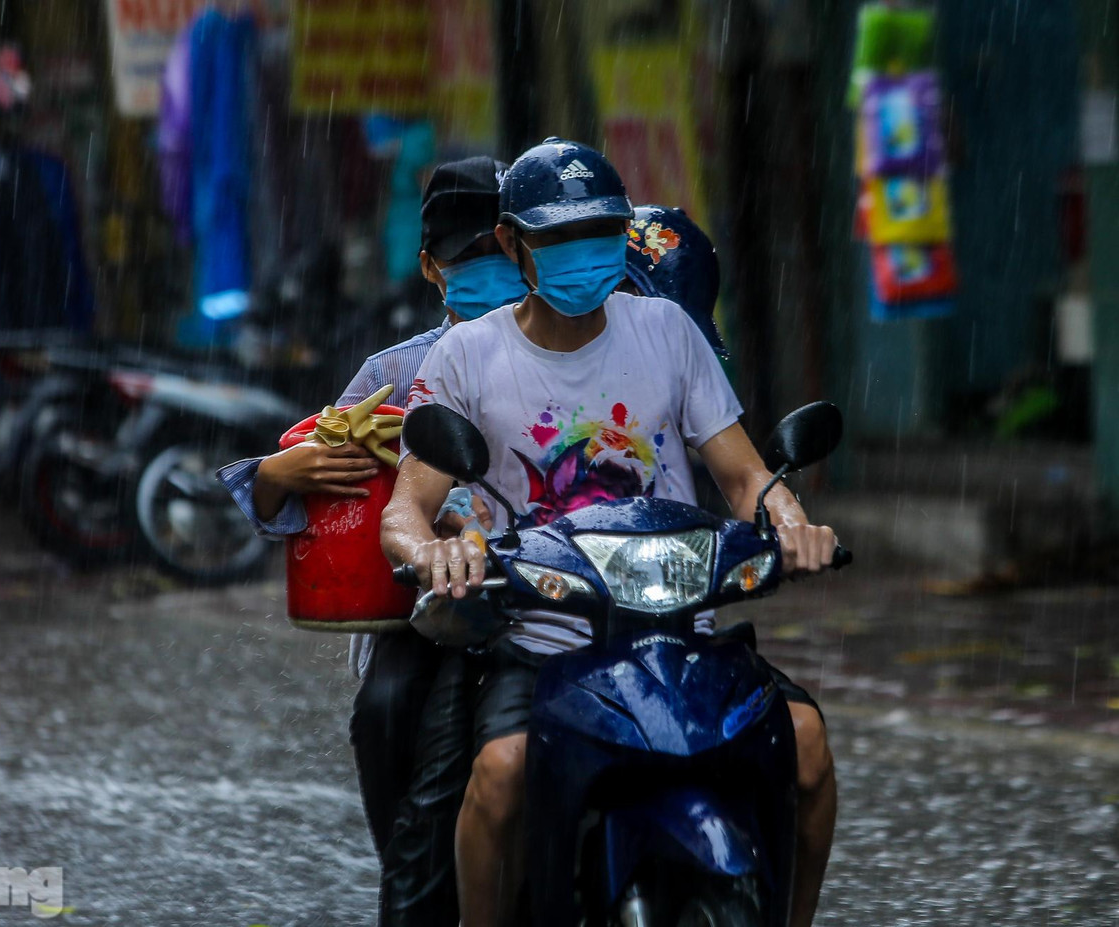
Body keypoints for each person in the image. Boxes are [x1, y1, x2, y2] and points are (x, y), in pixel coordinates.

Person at [380, 138, 839, 927]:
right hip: (544, 639)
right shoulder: (466, 355)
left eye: (598, 235)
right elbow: (404, 510)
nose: (581, 257)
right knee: (498, 776)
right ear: (512, 243)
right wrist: (435, 552)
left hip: (681, 636)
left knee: (806, 748)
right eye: (558, 239)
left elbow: (743, 474)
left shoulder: (666, 330)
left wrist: (791, 520)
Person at [216, 156, 528, 925]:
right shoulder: (394, 373)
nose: (486, 272)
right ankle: (412, 880)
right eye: (467, 260)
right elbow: (273, 498)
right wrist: (287, 469)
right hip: (420, 610)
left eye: (500, 255)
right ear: (431, 268)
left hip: (549, 595)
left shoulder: (568, 351)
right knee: (386, 708)